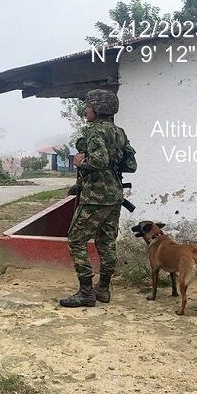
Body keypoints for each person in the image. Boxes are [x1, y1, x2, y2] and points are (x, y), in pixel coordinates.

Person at [59, 89, 137, 308]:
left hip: (95, 197)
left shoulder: (94, 131)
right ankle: (103, 289)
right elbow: (131, 165)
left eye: (88, 106)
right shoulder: (119, 132)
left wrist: (79, 163)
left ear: (98, 108)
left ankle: (86, 292)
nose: (85, 110)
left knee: (76, 239)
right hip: (114, 195)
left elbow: (99, 161)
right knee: (106, 242)